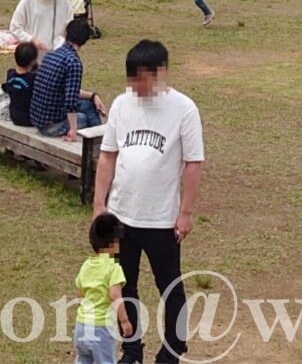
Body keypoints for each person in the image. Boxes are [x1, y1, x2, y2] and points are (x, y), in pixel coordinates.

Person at [94, 39, 203, 364]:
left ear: (159, 75)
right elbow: (108, 156)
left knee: (170, 286)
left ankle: (173, 349)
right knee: (123, 284)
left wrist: (185, 212)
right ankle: (132, 348)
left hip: (160, 219)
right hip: (121, 216)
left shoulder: (184, 108)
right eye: (132, 79)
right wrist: (100, 205)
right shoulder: (121, 104)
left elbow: (193, 163)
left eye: (142, 79)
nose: (136, 86)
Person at [30, 17, 103, 140]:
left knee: (89, 105)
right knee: (87, 119)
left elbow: (68, 90)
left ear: (66, 33)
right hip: (52, 126)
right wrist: (73, 130)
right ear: (85, 41)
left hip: (38, 119)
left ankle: (101, 141)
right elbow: (71, 101)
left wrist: (93, 95)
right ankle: (101, 145)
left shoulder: (51, 54)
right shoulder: (73, 62)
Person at [75, 212, 133, 364]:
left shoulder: (86, 265)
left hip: (81, 326)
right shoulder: (113, 268)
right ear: (115, 243)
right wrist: (125, 321)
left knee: (83, 360)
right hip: (101, 329)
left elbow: (80, 296)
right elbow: (115, 296)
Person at [2, 41, 41, 127]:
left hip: (15, 117)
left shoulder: (10, 74)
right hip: (30, 119)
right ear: (33, 61)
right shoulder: (33, 78)